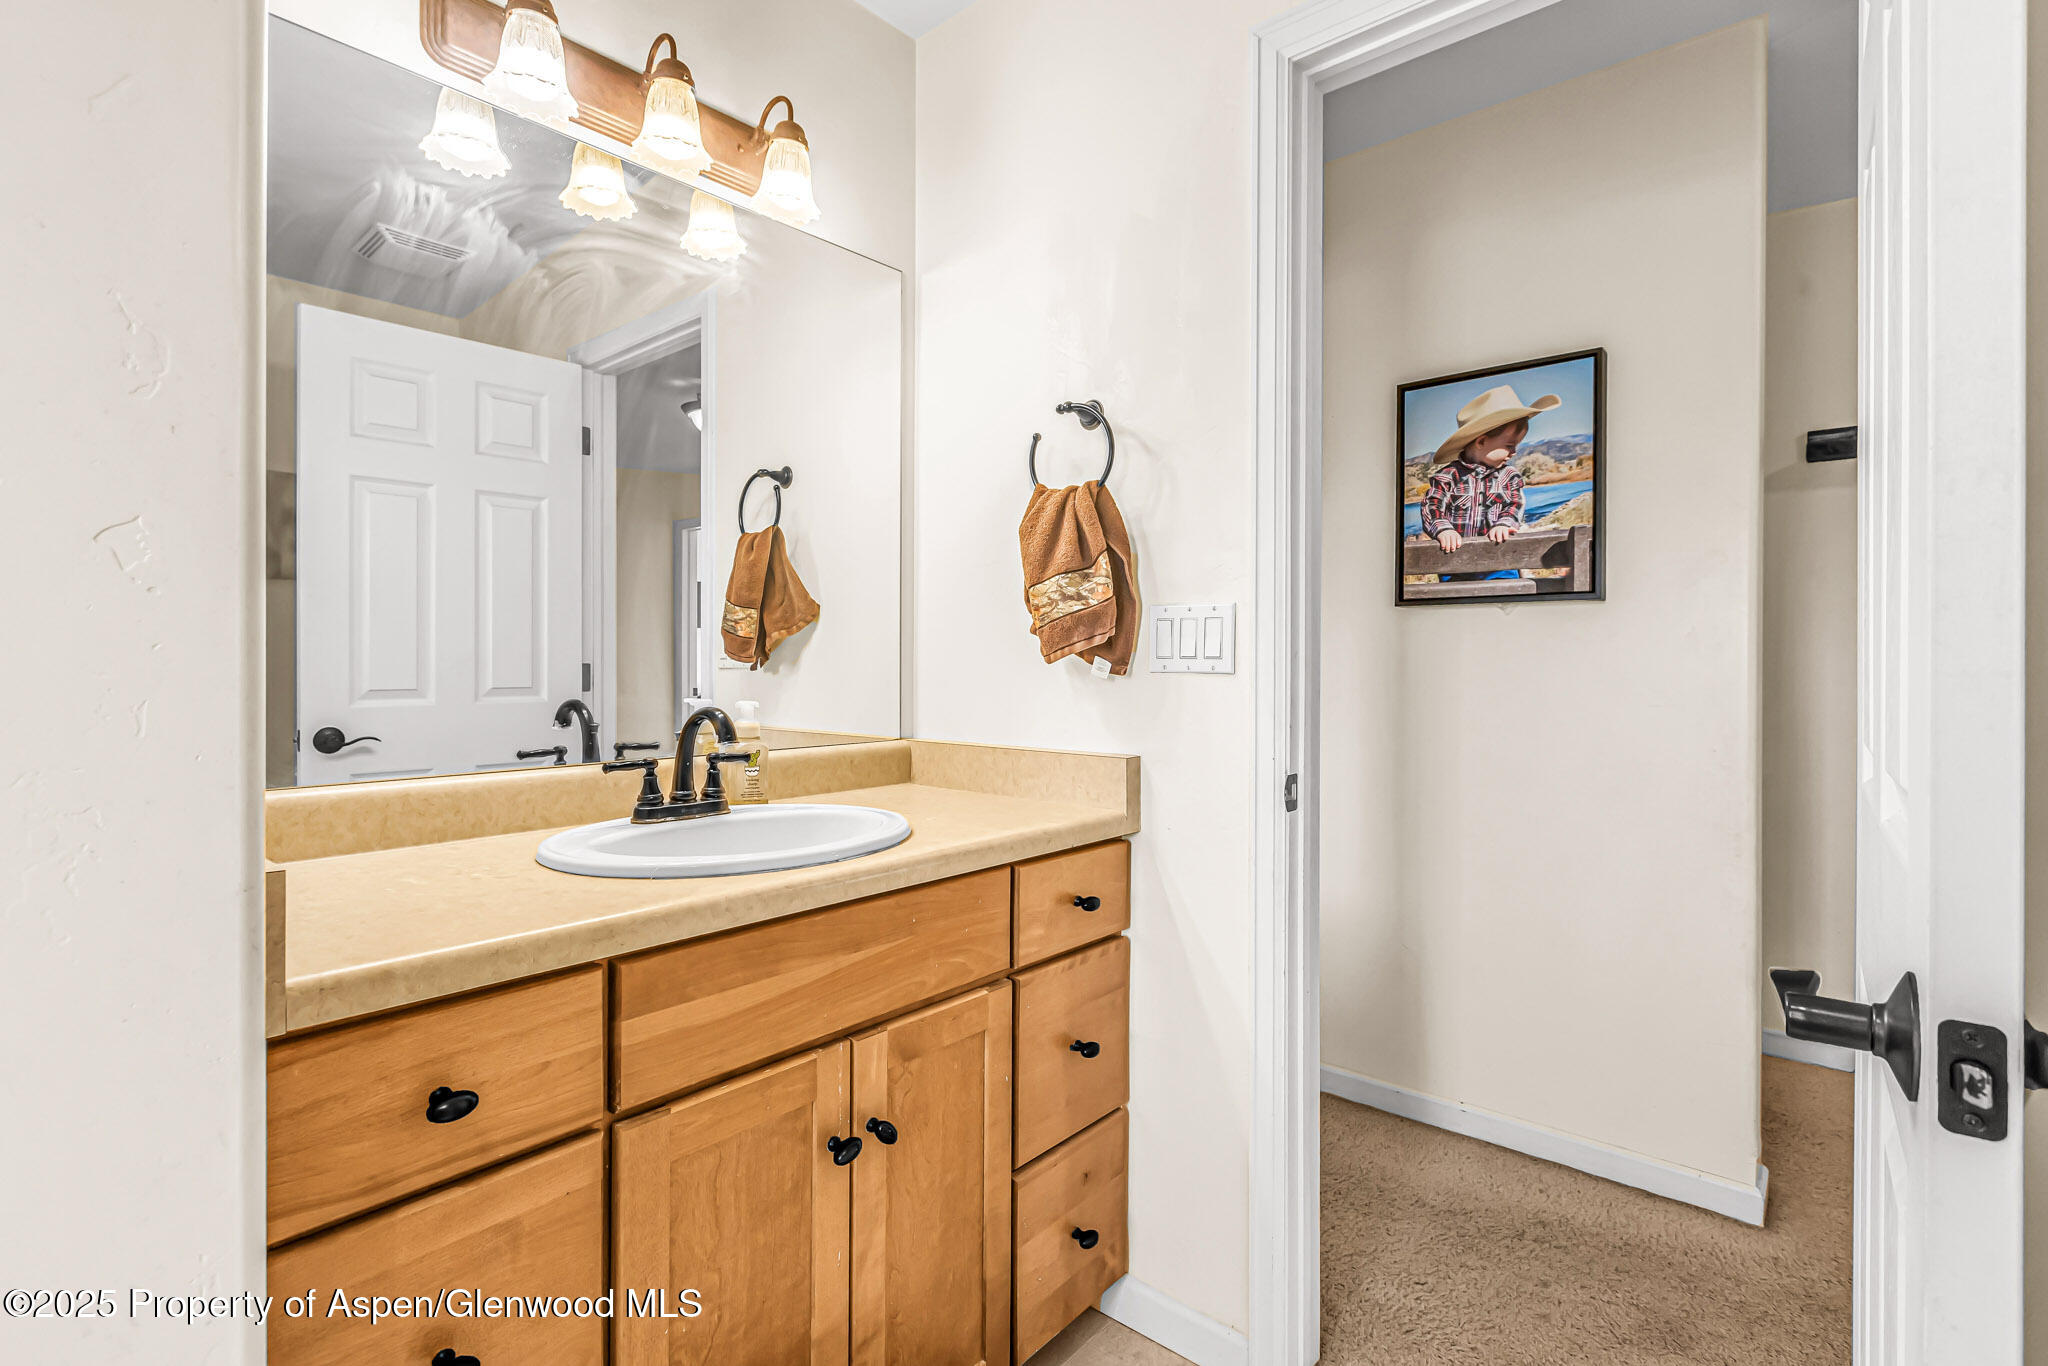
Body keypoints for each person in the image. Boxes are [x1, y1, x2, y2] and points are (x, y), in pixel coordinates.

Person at [1419, 384, 1560, 580]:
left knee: (1505, 590)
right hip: (1455, 562)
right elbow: (1431, 505)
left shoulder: (1509, 477)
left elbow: (1514, 505)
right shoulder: (1448, 477)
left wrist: (1505, 523)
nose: (1514, 452)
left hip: (1498, 559)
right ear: (1481, 442)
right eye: (1509, 446)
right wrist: (1443, 529)